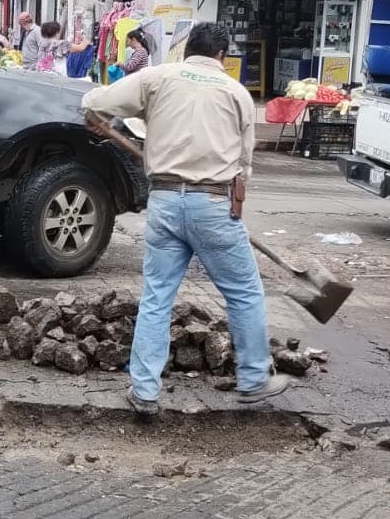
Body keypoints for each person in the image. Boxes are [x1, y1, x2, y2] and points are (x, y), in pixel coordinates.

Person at [81, 22, 291, 416]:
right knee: (244, 293)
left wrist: (93, 111)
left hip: (163, 201)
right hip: (213, 203)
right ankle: (253, 380)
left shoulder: (157, 77)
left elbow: (97, 102)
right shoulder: (236, 93)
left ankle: (144, 391)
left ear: (185, 50)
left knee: (157, 297)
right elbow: (244, 166)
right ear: (222, 57)